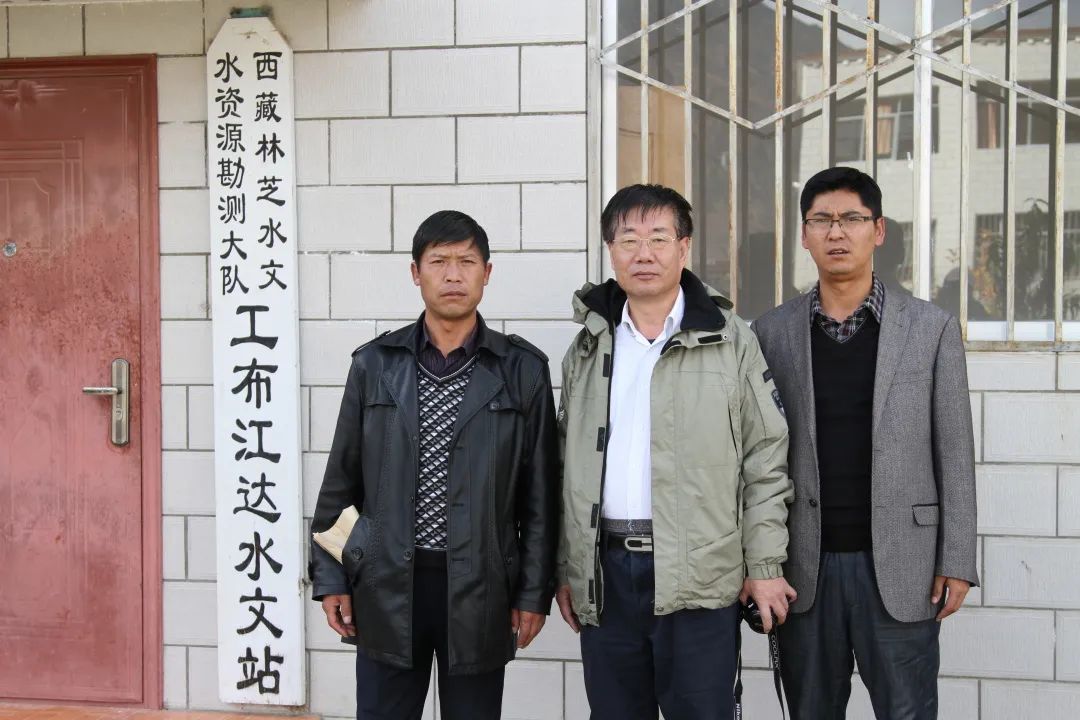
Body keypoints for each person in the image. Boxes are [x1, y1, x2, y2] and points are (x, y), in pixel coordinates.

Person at [555, 184, 795, 719]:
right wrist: (569, 567)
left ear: (683, 248)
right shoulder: (588, 346)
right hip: (606, 576)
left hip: (700, 574)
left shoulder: (730, 340)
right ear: (611, 251)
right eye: (629, 240)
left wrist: (764, 564)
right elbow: (564, 465)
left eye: (659, 238)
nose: (644, 254)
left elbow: (765, 458)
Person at [309, 210, 559, 720]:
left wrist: (534, 592)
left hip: (481, 589)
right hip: (385, 584)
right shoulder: (375, 365)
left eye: (466, 262)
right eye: (439, 261)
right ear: (415, 272)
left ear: (487, 273)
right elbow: (341, 483)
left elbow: (541, 498)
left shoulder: (522, 370)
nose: (452, 275)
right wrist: (331, 577)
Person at [753, 167, 979, 719]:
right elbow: (755, 455)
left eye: (851, 218)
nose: (836, 232)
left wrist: (957, 558)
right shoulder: (770, 333)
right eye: (821, 220)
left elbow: (954, 450)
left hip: (903, 566)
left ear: (878, 231)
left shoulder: (930, 328)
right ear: (804, 234)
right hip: (804, 566)